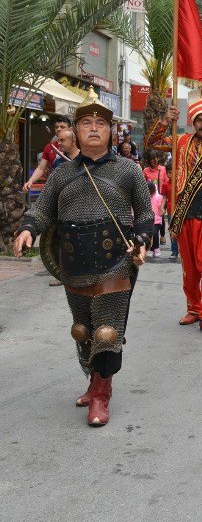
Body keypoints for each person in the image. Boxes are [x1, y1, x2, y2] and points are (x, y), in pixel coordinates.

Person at [14, 92, 153, 427]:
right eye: (87, 123)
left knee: (107, 332)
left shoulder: (129, 171)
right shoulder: (61, 175)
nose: (94, 128)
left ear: (110, 130)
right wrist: (28, 229)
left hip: (116, 263)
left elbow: (146, 214)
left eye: (101, 123)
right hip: (73, 265)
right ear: (75, 130)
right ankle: (93, 382)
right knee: (83, 331)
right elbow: (42, 210)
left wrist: (143, 241)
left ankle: (103, 395)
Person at [145, 90, 202, 334]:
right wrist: (166, 119)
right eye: (199, 120)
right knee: (190, 269)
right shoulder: (182, 142)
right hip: (186, 212)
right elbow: (151, 142)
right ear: (193, 122)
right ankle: (194, 308)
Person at [22, 114, 71, 190]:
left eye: (62, 127)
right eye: (56, 127)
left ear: (70, 129)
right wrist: (30, 181)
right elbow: (41, 168)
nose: (58, 129)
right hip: (54, 186)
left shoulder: (76, 145)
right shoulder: (49, 146)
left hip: (72, 185)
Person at [149, 181, 165, 258]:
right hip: (149, 219)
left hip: (157, 220)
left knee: (155, 234)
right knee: (150, 235)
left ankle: (157, 248)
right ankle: (152, 249)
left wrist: (162, 212)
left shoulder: (159, 197)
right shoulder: (146, 197)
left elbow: (160, 207)